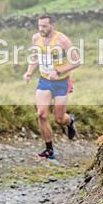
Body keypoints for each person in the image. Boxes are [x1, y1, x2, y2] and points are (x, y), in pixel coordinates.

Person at [22, 14, 81, 160]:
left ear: (53, 25)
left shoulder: (62, 40)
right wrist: (29, 72)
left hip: (61, 82)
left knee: (59, 119)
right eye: (40, 26)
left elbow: (77, 61)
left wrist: (59, 71)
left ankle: (70, 121)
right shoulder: (36, 38)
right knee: (41, 114)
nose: (41, 29)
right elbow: (35, 57)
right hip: (44, 81)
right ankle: (49, 150)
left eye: (45, 26)